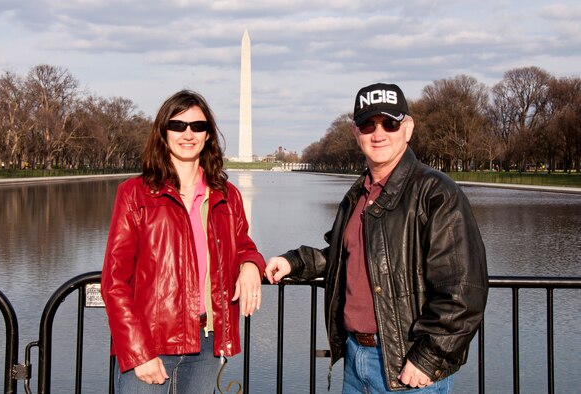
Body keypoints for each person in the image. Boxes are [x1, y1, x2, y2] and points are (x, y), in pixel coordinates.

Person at [265, 83, 488, 393]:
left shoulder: (436, 192)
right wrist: (294, 262)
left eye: (390, 123)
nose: (378, 133)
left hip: (406, 363)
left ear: (407, 129)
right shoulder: (359, 193)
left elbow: (464, 288)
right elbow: (348, 255)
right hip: (357, 359)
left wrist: (428, 357)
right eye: (368, 124)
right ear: (356, 134)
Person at [101, 89, 266, 393]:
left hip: (206, 343)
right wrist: (138, 351)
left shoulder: (227, 196)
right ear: (163, 133)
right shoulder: (135, 194)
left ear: (208, 136)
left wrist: (251, 265)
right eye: (178, 126)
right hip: (151, 343)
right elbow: (114, 282)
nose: (187, 134)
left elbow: (242, 244)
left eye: (198, 126)